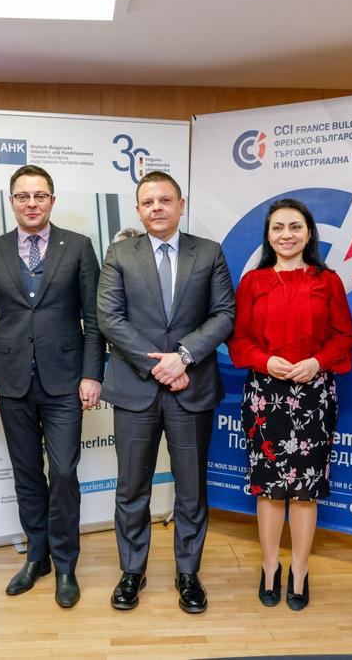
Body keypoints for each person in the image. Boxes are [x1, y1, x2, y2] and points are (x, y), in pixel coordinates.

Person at [97, 171, 235, 614]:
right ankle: (131, 571)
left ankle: (188, 573)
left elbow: (224, 314)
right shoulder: (119, 254)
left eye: (164, 200)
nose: (156, 208)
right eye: (148, 202)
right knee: (131, 488)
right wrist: (161, 365)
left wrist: (184, 357)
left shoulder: (208, 252)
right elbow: (109, 318)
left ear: (180, 205)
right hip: (136, 389)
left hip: (191, 388)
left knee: (191, 489)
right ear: (138, 210)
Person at [0, 164, 104, 608]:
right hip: (10, 382)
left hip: (65, 381)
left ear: (52, 200)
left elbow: (94, 318)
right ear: (12, 201)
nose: (32, 203)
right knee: (26, 474)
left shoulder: (78, 247)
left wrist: (92, 374)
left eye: (40, 195)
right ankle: (37, 556)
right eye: (23, 196)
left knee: (62, 473)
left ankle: (65, 565)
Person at [227, 198, 352, 611]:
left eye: (295, 226)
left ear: (309, 233)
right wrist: (264, 361)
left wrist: (317, 362)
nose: (287, 235)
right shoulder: (253, 282)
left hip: (314, 396)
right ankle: (270, 566)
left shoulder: (327, 280)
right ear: (268, 236)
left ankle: (299, 569)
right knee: (269, 489)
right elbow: (238, 340)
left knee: (304, 491)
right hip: (265, 396)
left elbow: (345, 337)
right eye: (278, 227)